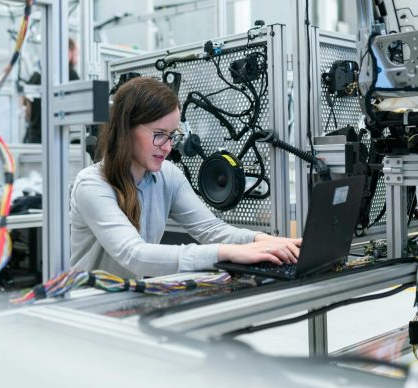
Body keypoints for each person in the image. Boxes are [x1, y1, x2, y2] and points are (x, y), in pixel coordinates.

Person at [70, 76, 302, 278]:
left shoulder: (167, 175)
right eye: (159, 135)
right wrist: (227, 252)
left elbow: (211, 229)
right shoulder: (92, 184)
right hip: (90, 307)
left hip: (130, 299)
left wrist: (263, 241)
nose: (168, 147)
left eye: (172, 135)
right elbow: (135, 255)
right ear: (126, 129)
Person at [23, 38, 80, 143]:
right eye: (75, 52)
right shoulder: (70, 74)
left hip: (32, 139)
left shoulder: (35, 76)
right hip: (56, 139)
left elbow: (26, 111)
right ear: (68, 52)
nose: (77, 57)